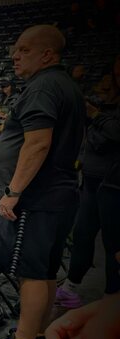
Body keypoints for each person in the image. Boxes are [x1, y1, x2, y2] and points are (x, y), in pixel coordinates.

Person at [0, 25, 85, 339]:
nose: (15, 55)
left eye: (24, 50)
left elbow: (37, 143)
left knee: (32, 272)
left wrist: (13, 192)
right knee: (46, 269)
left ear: (47, 55)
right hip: (59, 194)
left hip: (36, 198)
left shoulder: (43, 87)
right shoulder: (65, 85)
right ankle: (37, 334)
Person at [57, 97, 120, 308]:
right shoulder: (104, 109)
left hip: (113, 186)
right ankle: (70, 288)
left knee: (113, 245)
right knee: (82, 235)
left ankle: (111, 298)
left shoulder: (105, 116)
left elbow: (115, 133)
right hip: (91, 183)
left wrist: (95, 115)